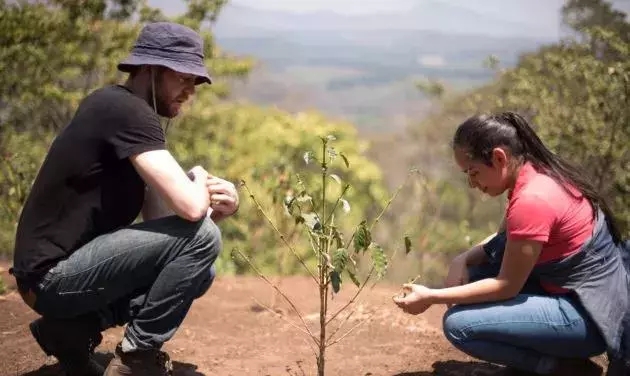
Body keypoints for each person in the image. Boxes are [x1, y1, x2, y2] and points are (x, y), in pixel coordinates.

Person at [9, 22, 239, 376]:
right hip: (51, 278)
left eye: (194, 82)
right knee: (202, 238)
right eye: (182, 78)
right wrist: (200, 181)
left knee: (201, 268)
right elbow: (190, 209)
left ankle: (70, 330)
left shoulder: (123, 113)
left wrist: (214, 211)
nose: (190, 90)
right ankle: (138, 357)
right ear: (150, 70)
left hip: (55, 281)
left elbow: (164, 227)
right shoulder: (126, 110)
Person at [393, 112, 630, 375]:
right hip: (580, 299)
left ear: (499, 158)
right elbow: (508, 239)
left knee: (459, 325)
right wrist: (463, 259)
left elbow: (506, 286)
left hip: (589, 318)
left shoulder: (532, 200)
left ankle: (559, 368)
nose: (472, 184)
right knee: (473, 276)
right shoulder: (536, 173)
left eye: (474, 173)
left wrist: (431, 296)